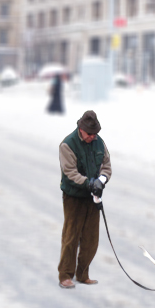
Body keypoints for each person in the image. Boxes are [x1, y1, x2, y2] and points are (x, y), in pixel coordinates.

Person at [58, 109, 111, 289]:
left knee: (91, 239)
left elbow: (107, 166)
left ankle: (83, 274)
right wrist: (89, 183)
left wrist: (101, 181)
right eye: (89, 134)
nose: (92, 137)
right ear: (81, 129)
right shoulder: (68, 144)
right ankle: (65, 274)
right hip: (74, 197)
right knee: (71, 237)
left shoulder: (99, 143)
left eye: (95, 134)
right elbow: (70, 172)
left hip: (92, 197)